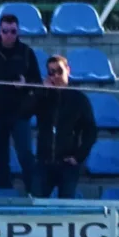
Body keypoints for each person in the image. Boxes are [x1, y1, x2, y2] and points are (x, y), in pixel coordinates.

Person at [32, 55, 97, 199]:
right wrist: (41, 91)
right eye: (51, 72)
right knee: (35, 204)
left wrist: (79, 157)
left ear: (68, 70)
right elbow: (24, 113)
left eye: (59, 71)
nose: (55, 76)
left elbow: (91, 131)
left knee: (66, 208)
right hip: (44, 162)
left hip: (67, 163)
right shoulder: (44, 97)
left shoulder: (79, 99)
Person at [0, 13, 41, 192]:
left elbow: (37, 81)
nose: (9, 35)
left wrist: (24, 83)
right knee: (0, 157)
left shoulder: (26, 53)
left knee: (25, 155)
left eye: (13, 31)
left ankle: (33, 192)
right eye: (5, 31)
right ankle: (5, 193)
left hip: (20, 114)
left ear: (18, 31)